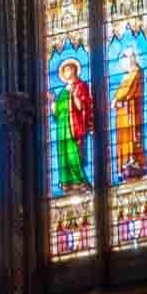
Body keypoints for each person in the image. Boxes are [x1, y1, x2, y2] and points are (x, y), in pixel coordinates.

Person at [51, 45, 94, 191]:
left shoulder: (81, 86)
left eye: (69, 69)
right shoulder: (63, 91)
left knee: (73, 153)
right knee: (63, 153)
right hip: (62, 127)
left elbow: (83, 106)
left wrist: (75, 95)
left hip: (74, 126)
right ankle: (67, 182)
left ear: (75, 70)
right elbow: (57, 112)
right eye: (65, 70)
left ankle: (79, 180)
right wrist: (52, 102)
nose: (67, 72)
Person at [111, 49, 147, 182]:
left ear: (132, 58)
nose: (123, 63)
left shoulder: (136, 73)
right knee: (124, 137)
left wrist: (116, 100)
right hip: (123, 114)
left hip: (131, 111)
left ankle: (133, 162)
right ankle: (126, 164)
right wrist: (116, 100)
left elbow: (128, 91)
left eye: (124, 59)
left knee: (133, 137)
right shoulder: (128, 75)